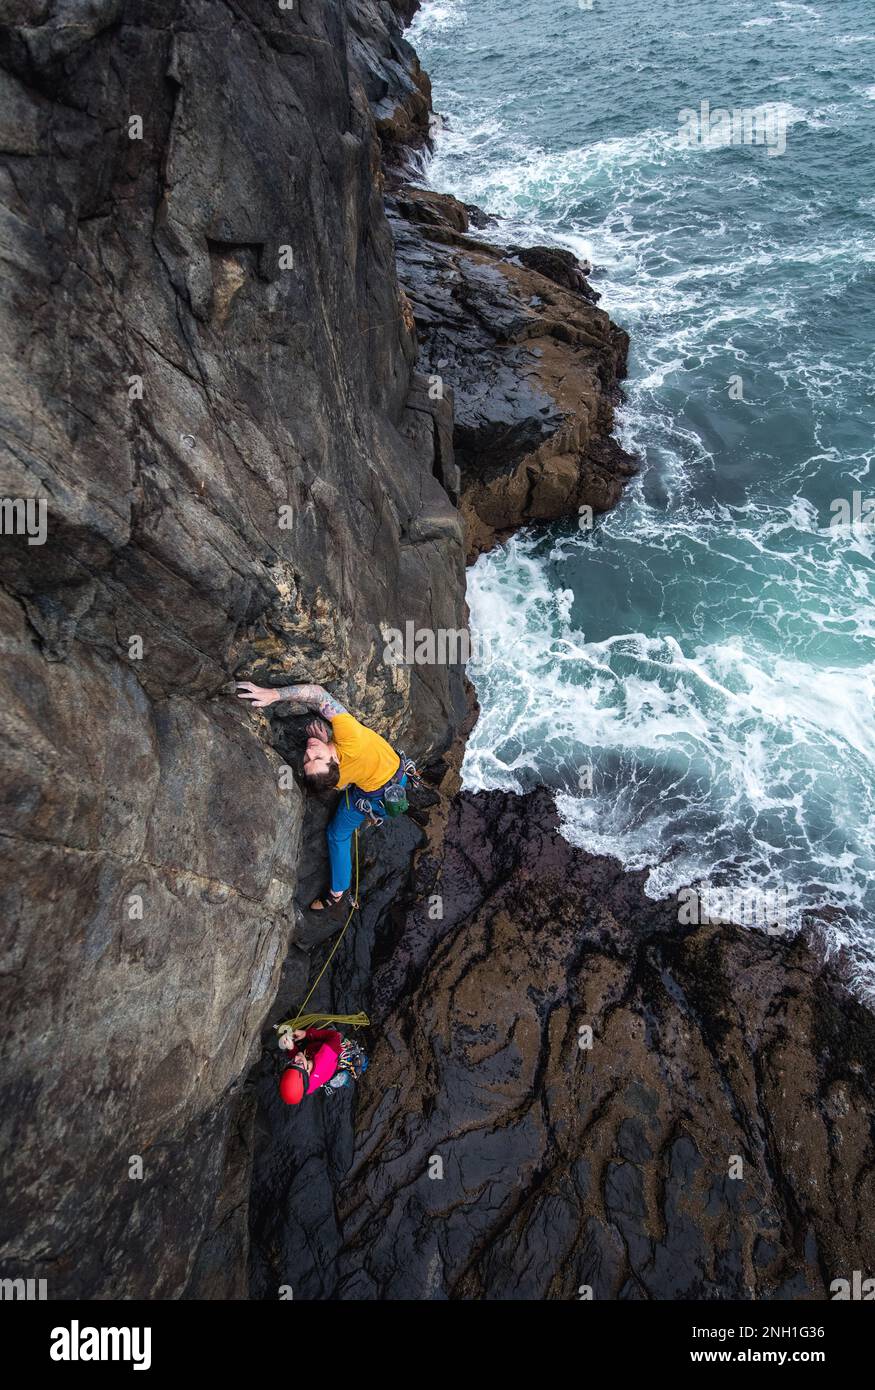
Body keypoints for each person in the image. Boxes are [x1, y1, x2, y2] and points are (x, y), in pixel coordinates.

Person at [236, 680, 408, 910]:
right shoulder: (343, 752)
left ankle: (338, 891)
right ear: (334, 761)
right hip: (398, 780)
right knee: (342, 826)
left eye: (311, 758)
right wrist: (326, 743)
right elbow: (320, 699)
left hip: (375, 795)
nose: (308, 752)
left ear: (336, 761)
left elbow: (317, 693)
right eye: (312, 759)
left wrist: (273, 694)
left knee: (338, 835)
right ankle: (337, 892)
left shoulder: (349, 746)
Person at [277, 1026, 342, 1105]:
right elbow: (335, 1036)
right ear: (307, 1071)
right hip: (327, 1052)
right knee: (330, 1029)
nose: (296, 1057)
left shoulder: (302, 1086)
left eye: (291, 1063)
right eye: (298, 1063)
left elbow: (297, 1064)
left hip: (314, 1055)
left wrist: (292, 1048)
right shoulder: (326, 1054)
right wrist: (307, 1034)